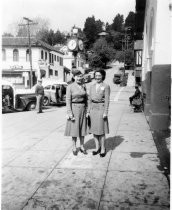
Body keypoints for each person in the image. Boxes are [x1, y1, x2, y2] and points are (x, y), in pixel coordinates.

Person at [87, 69, 110, 157]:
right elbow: (89, 100)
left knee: (101, 130)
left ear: (103, 76)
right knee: (94, 130)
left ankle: (103, 148)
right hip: (93, 109)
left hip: (101, 109)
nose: (97, 77)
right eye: (96, 75)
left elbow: (107, 100)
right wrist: (88, 111)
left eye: (99, 75)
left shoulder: (106, 86)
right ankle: (97, 148)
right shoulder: (92, 86)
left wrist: (105, 112)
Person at [64, 70, 87, 156]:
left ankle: (82, 146)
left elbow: (86, 99)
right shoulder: (70, 86)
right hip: (74, 109)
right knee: (74, 130)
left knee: (82, 129)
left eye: (80, 76)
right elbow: (68, 100)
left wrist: (87, 110)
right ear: (74, 77)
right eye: (77, 76)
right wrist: (69, 112)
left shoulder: (84, 86)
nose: (79, 78)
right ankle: (74, 147)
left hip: (83, 109)